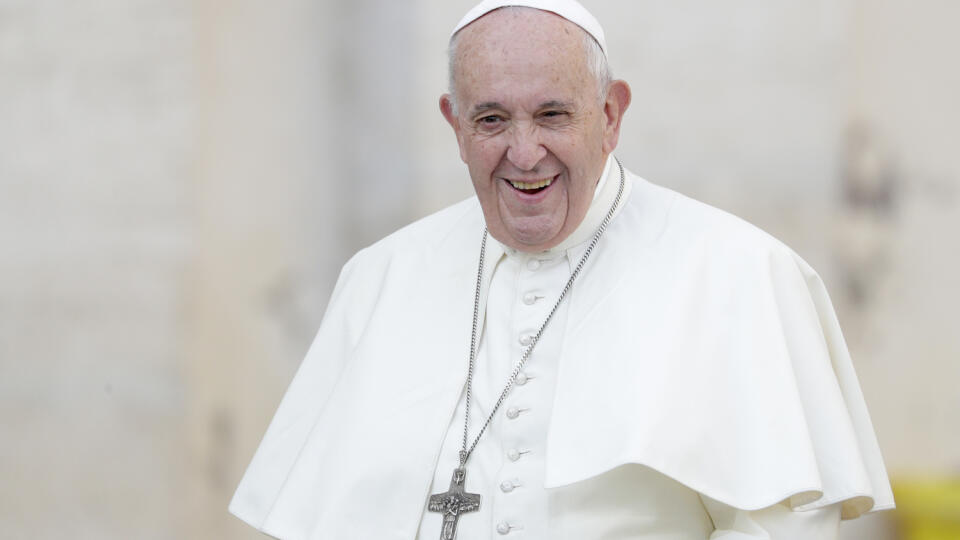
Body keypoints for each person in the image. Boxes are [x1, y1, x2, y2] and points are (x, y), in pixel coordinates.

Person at [229, 1, 895, 538]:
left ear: (610, 116)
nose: (524, 153)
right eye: (492, 119)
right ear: (454, 124)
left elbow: (782, 528)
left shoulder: (738, 273)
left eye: (552, 114)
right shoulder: (380, 278)